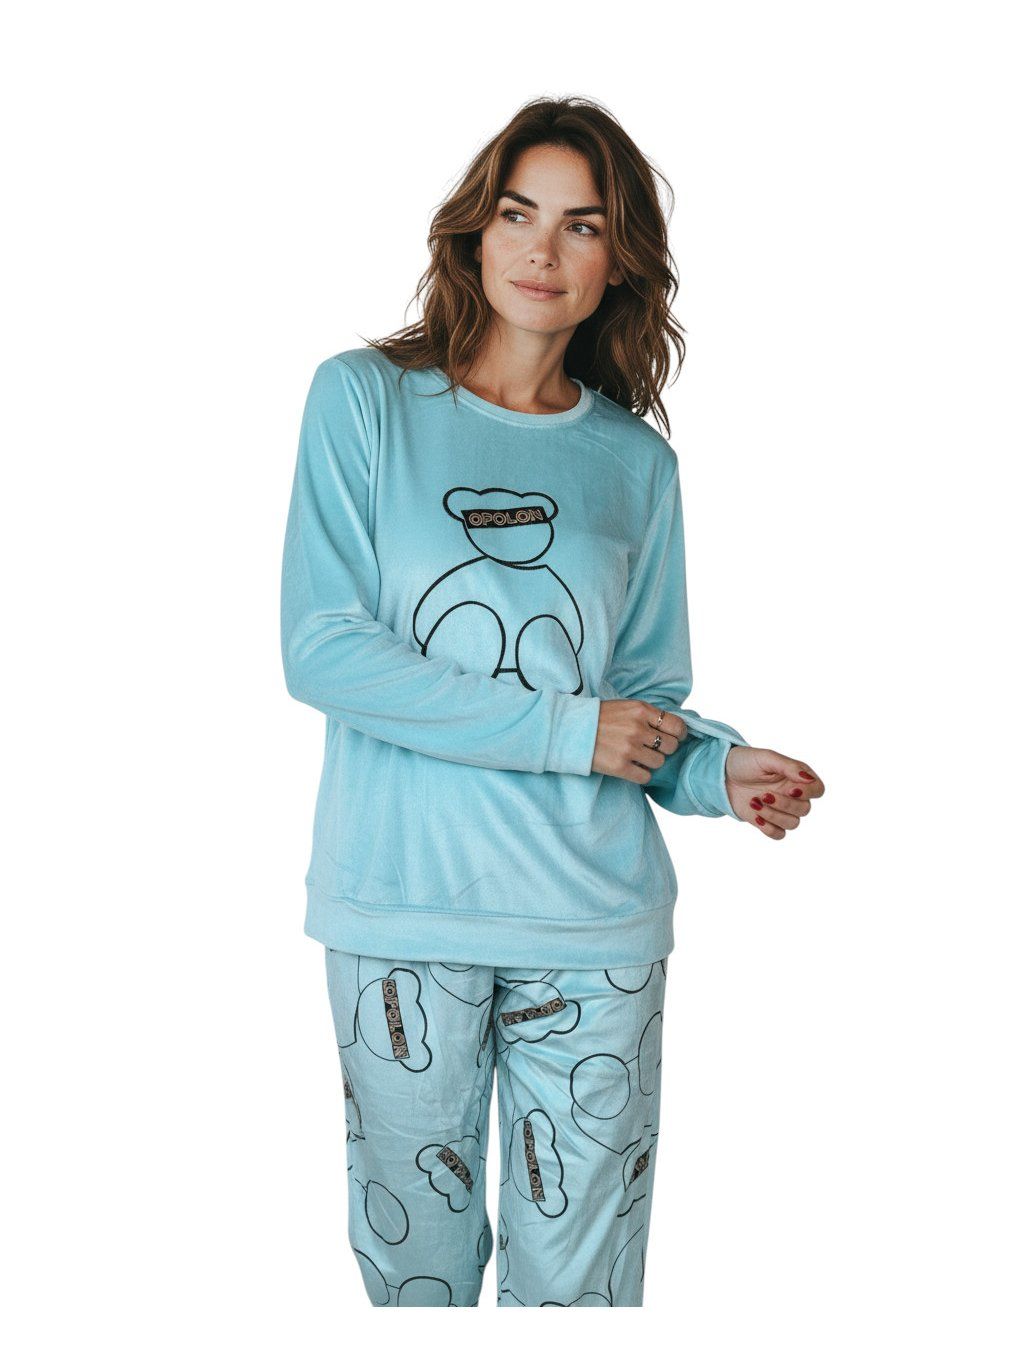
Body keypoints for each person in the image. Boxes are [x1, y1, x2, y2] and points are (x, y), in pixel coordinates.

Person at [279, 95, 824, 1308]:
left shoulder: (634, 462)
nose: (542, 250)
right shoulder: (364, 401)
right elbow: (324, 651)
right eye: (518, 214)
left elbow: (639, 700)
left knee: (581, 1293)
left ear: (617, 261)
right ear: (474, 233)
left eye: (582, 225)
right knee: (414, 1280)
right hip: (402, 907)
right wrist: (568, 731)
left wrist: (713, 769)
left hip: (592, 923)